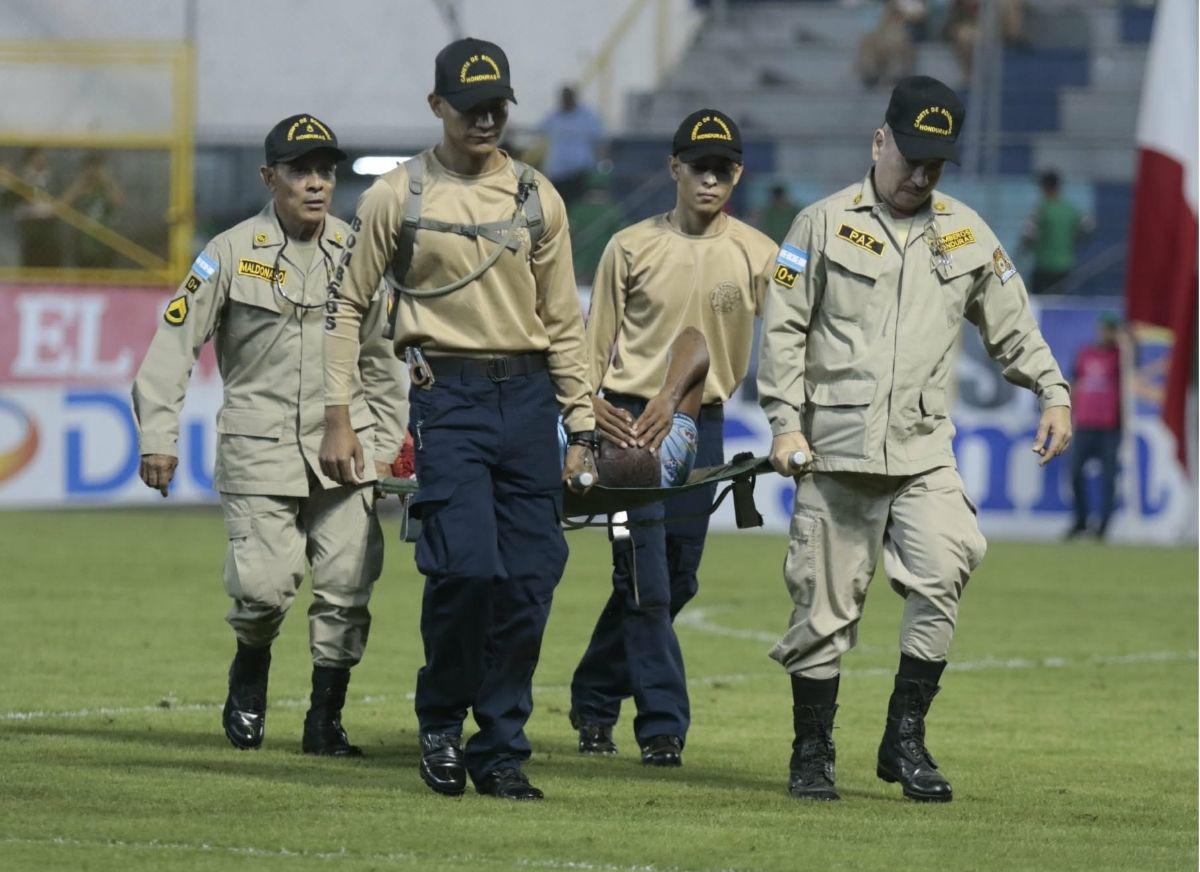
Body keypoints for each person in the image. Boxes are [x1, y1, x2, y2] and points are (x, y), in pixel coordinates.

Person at [758, 76, 1072, 803]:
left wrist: (1052, 390)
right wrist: (784, 424)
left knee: (947, 564)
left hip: (924, 451)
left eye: (937, 163)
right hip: (834, 451)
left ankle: (904, 741)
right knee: (822, 610)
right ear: (880, 141)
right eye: (912, 158)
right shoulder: (819, 224)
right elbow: (781, 328)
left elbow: (1013, 325)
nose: (922, 175)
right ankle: (812, 751)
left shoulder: (965, 233)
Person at [320, 37, 596, 802]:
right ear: (436, 106)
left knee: (533, 578)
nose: (487, 118)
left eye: (497, 105)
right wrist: (337, 415)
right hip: (451, 401)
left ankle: (499, 746)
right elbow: (348, 306)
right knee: (466, 569)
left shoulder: (539, 196)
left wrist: (581, 426)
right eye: (471, 106)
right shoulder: (396, 196)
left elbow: (563, 319)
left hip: (532, 396)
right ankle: (441, 720)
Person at [131, 114, 407, 757]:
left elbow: (385, 359)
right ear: (269, 177)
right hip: (260, 448)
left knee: (346, 591)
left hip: (349, 449)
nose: (316, 184)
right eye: (300, 171)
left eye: (325, 172)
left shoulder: (358, 251)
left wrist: (387, 445)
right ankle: (249, 669)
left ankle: (324, 720)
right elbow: (174, 343)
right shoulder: (227, 253)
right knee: (261, 590)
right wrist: (158, 436)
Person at [568, 109, 777, 766]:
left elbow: (802, 327)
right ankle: (662, 726)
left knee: (676, 579)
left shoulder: (761, 253)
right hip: (629, 426)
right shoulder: (629, 247)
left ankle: (595, 693)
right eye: (698, 165)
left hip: (703, 426)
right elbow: (594, 340)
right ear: (674, 168)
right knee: (646, 582)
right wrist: (584, 417)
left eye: (723, 167)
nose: (710, 178)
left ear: (737, 173)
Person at [1066, 312, 1122, 540]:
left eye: (1110, 329)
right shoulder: (1085, 354)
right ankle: (1081, 520)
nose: (1105, 333)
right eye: (1103, 328)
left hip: (1110, 426)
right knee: (1074, 472)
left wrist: (1127, 344)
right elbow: (1075, 383)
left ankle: (1103, 526)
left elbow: (1131, 367)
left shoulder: (1120, 357)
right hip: (1085, 423)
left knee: (1108, 477)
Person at [1021, 170, 1091, 294]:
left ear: (1046, 187)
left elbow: (1028, 235)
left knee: (1038, 302)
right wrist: (1071, 241)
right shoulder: (1071, 209)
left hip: (1043, 265)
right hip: (1065, 264)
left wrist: (1027, 249)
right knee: (1058, 301)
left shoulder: (1041, 209)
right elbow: (1088, 227)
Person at [538, 85, 606, 207]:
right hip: (557, 173)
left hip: (578, 172)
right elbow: (538, 130)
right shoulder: (554, 116)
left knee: (575, 205)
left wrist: (600, 164)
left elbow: (599, 141)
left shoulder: (588, 117)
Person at [62, 150, 124, 268]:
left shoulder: (106, 188)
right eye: (90, 167)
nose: (94, 172)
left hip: (105, 239)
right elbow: (63, 204)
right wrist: (80, 183)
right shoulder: (81, 188)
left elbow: (118, 201)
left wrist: (107, 181)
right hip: (83, 240)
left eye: (97, 167)